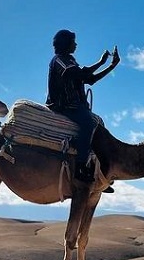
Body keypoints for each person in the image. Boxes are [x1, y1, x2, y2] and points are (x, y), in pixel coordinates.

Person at [46, 29, 121, 183]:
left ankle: (97, 169)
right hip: (64, 106)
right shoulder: (59, 61)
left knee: (98, 124)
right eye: (73, 42)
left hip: (76, 106)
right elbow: (82, 75)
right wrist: (102, 63)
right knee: (88, 123)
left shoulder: (70, 61)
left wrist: (110, 65)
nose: (76, 44)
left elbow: (89, 79)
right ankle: (80, 167)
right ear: (66, 43)